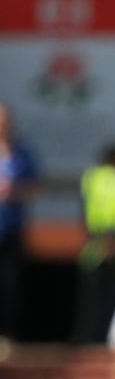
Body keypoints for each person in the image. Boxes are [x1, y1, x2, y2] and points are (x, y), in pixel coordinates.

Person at [72, 143, 115, 343]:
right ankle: (90, 340)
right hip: (102, 248)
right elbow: (87, 211)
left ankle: (105, 341)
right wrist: (108, 241)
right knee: (95, 301)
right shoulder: (101, 179)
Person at [0, 102, 38, 340]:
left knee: (9, 285)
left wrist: (13, 191)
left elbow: (34, 187)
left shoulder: (22, 154)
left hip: (11, 230)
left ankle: (6, 335)